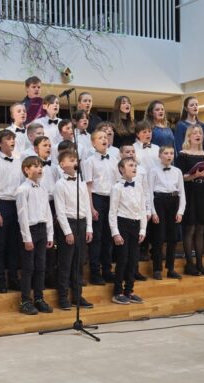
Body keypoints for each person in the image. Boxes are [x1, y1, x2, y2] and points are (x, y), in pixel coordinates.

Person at [53, 148, 94, 311]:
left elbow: (86, 206)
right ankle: (63, 297)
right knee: (66, 263)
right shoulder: (60, 185)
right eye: (71, 160)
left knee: (79, 262)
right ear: (62, 165)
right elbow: (60, 210)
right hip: (68, 224)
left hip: (82, 223)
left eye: (75, 160)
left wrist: (89, 227)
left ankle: (77, 296)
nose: (75, 162)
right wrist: (67, 232)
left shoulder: (81, 182)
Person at [16, 156, 54, 315]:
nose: (40, 169)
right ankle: (25, 300)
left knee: (41, 266)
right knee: (28, 267)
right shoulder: (22, 190)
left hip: (42, 230)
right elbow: (22, 215)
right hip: (30, 231)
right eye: (36, 166)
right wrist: (27, 238)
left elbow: (48, 212)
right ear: (26, 170)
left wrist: (50, 235)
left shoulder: (43, 188)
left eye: (41, 166)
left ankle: (39, 298)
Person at [109, 156, 150, 305]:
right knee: (123, 259)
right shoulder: (117, 188)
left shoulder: (138, 186)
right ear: (121, 169)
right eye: (130, 165)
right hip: (122, 224)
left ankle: (129, 290)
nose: (134, 168)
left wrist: (143, 229)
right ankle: (117, 292)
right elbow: (112, 212)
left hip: (136, 224)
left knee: (133, 260)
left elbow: (142, 209)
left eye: (135, 166)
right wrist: (115, 232)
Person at [0, 129, 23, 294]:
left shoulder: (18, 161)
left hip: (16, 205)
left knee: (14, 244)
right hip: (2, 205)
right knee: (0, 245)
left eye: (13, 138)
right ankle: (0, 280)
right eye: (8, 139)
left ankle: (14, 279)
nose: (12, 141)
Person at [176, 123, 204, 276]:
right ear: (189, 136)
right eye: (195, 133)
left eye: (200, 133)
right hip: (189, 192)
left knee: (200, 229)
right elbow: (180, 177)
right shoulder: (183, 153)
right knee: (190, 228)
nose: (198, 135)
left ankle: (199, 263)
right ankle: (189, 264)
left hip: (202, 191)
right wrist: (194, 175)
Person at [85, 129, 119, 284]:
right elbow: (88, 186)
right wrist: (91, 207)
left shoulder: (114, 159)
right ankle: (95, 272)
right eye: (100, 138)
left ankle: (107, 270)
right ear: (93, 143)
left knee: (108, 236)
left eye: (105, 137)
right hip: (97, 198)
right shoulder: (89, 161)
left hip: (112, 198)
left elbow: (118, 183)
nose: (104, 139)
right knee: (97, 237)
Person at [149, 144, 185, 280]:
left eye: (171, 153)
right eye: (166, 153)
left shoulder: (177, 171)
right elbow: (149, 192)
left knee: (173, 237)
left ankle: (170, 268)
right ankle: (157, 269)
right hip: (159, 201)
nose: (169, 156)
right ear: (159, 156)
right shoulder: (153, 171)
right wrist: (153, 212)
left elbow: (182, 192)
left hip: (174, 201)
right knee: (159, 237)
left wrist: (180, 211)